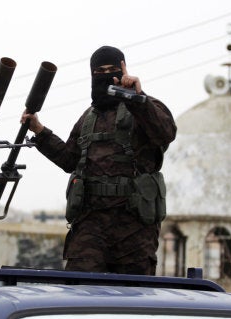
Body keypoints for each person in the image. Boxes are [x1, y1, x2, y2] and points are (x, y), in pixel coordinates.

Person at [21, 46, 177, 275]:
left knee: (132, 300)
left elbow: (165, 133)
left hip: (133, 228)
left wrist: (137, 99)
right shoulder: (88, 118)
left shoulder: (145, 106)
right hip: (90, 226)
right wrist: (40, 132)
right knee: (80, 293)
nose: (106, 75)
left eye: (112, 70)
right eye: (99, 71)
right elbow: (69, 160)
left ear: (124, 70)